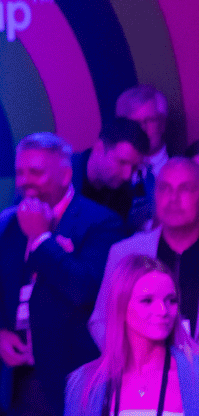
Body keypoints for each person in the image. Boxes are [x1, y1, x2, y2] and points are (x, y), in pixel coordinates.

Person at [0, 132, 122, 416]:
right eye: (20, 172)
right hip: (15, 378)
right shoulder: (7, 222)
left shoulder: (102, 223)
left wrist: (42, 239)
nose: (24, 181)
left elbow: (83, 289)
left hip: (69, 380)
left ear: (66, 175)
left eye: (36, 172)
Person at [65, 255, 199, 416]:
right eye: (147, 301)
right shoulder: (84, 383)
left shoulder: (194, 374)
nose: (163, 310)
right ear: (121, 305)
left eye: (171, 300)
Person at [90, 158, 199, 347]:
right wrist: (131, 363)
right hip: (143, 373)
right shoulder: (125, 252)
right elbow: (100, 321)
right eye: (164, 188)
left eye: (185, 189)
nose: (173, 198)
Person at [71, 118, 150, 232]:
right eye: (122, 162)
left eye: (134, 167)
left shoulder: (124, 194)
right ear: (99, 148)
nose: (127, 176)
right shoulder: (62, 178)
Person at [119, 85, 172, 232]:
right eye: (135, 123)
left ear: (162, 123)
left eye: (149, 120)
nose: (142, 128)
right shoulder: (113, 175)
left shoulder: (187, 166)